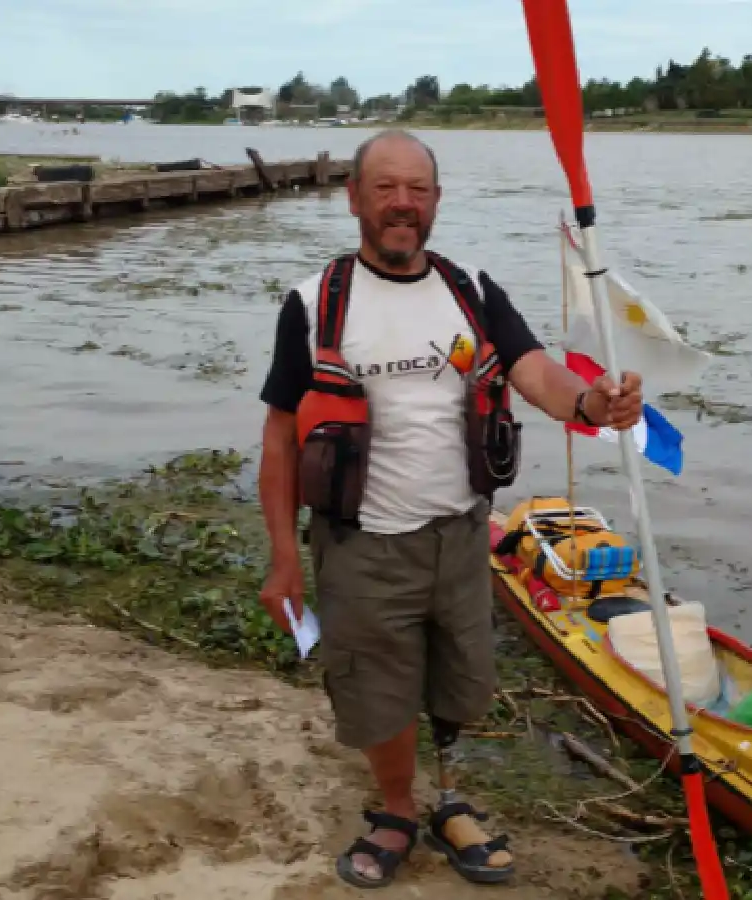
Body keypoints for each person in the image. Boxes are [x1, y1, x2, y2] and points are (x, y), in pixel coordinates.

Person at [256, 128, 643, 889]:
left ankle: (448, 792)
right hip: (362, 543)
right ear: (354, 198)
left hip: (463, 536)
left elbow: (536, 373)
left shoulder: (471, 292)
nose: (403, 204)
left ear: (436, 201)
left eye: (419, 190)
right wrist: (282, 557)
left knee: (458, 679)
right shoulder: (314, 304)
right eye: (385, 188)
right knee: (378, 683)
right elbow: (277, 439)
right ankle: (398, 809)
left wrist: (593, 401)